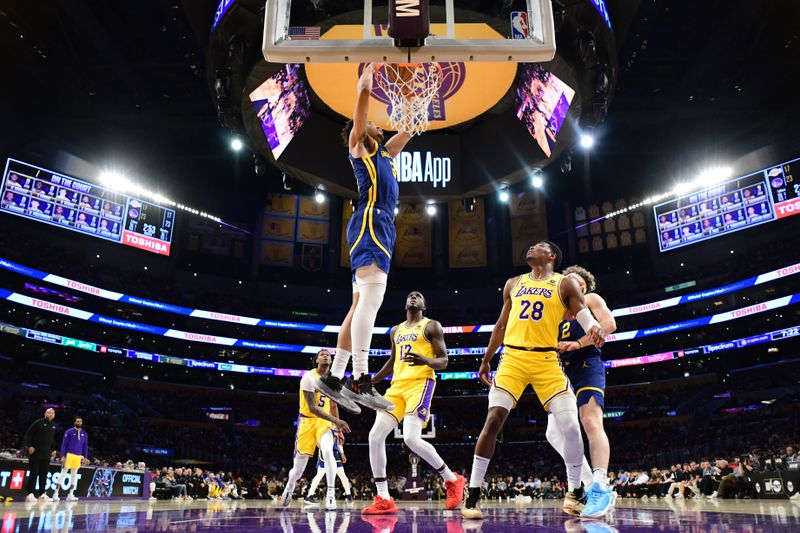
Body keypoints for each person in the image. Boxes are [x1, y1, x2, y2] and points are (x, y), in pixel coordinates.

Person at [461, 241, 605, 519]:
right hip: (513, 359)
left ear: (551, 256)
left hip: (547, 361)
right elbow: (501, 325)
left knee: (571, 428)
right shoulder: (513, 283)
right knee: (493, 420)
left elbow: (583, 312)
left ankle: (574, 491)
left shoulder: (565, 284)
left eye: (538, 246)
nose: (530, 247)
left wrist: (593, 328)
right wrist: (485, 359)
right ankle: (474, 492)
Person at [317, 63, 414, 411]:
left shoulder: (385, 153)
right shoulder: (360, 147)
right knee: (371, 302)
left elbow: (409, 129)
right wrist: (366, 85)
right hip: (372, 221)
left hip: (375, 224)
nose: (377, 125)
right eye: (373, 123)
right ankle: (361, 379)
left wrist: (410, 96)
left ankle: (334, 378)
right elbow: (361, 116)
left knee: (359, 305)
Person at [362, 291, 466, 514]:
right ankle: (384, 498)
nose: (413, 297)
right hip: (396, 387)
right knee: (375, 436)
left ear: (424, 305)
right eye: (409, 295)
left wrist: (425, 360)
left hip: (421, 383)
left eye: (418, 296)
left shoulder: (431, 326)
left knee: (410, 438)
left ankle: (452, 479)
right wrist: (373, 380)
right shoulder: (395, 330)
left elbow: (444, 361)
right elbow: (392, 361)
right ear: (405, 303)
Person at [548, 265, 617, 517]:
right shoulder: (555, 309)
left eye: (574, 282)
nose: (569, 286)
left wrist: (577, 343)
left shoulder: (590, 299)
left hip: (587, 363)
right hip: (559, 371)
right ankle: (588, 485)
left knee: (590, 421)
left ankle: (600, 484)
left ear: (583, 287)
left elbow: (609, 324)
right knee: (553, 432)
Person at [280, 349, 351, 510]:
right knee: (297, 471)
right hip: (306, 423)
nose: (326, 355)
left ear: (331, 361)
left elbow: (332, 404)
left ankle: (330, 495)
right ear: (316, 360)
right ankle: (290, 487)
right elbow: (312, 408)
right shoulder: (308, 377)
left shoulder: (333, 380)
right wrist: (337, 421)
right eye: (322, 354)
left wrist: (337, 429)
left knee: (328, 451)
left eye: (328, 354)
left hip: (324, 423)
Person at [303, 430, 354, 505]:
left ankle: (348, 495)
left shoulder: (335, 427)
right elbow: (316, 441)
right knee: (320, 474)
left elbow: (339, 442)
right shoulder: (322, 427)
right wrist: (324, 448)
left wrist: (342, 454)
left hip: (335, 453)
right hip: (325, 453)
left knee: (342, 475)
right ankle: (309, 495)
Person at [24, 408, 57, 502]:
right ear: (45, 414)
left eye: (52, 413)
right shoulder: (38, 423)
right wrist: (30, 446)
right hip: (36, 453)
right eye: (48, 412)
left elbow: (52, 439)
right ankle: (30, 494)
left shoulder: (54, 426)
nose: (50, 414)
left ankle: (42, 494)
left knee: (44, 474)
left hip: (46, 454)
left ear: (54, 415)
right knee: (34, 473)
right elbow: (28, 435)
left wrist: (53, 449)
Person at [53, 417, 89, 502]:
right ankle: (55, 493)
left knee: (74, 475)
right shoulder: (69, 431)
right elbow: (64, 444)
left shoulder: (84, 433)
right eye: (77, 421)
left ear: (82, 423)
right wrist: (63, 456)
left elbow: (85, 446)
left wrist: (85, 457)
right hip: (69, 455)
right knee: (63, 473)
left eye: (80, 421)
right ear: (74, 422)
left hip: (78, 456)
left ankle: (71, 494)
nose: (79, 422)